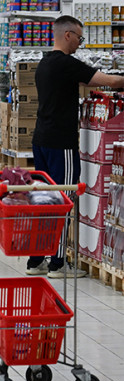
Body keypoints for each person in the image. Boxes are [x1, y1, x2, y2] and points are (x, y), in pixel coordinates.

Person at [26, 15, 124, 278]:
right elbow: (111, 82)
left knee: (44, 200)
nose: (80, 44)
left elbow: (80, 82)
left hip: (41, 140)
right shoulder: (66, 64)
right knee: (64, 200)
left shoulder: (46, 63)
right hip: (61, 143)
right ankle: (58, 264)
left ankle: (36, 261)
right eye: (79, 38)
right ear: (67, 35)